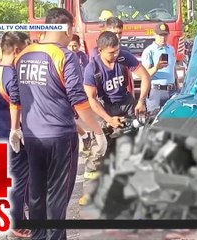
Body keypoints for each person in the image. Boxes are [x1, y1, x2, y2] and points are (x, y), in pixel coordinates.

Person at [15, 8, 108, 240]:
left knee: (36, 193)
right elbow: (78, 98)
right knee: (57, 195)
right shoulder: (65, 56)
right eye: (72, 29)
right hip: (59, 136)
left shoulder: (23, 55)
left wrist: (15, 127)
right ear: (66, 29)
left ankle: (38, 236)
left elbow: (17, 97)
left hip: (32, 135)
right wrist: (97, 132)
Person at [82, 31, 151, 204]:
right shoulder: (92, 69)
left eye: (117, 50)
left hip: (127, 104)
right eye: (111, 52)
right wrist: (109, 119)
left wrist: (141, 101)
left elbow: (145, 76)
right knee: (100, 149)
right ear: (100, 50)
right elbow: (91, 99)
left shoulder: (123, 57)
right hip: (105, 108)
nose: (115, 55)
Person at [0, 31, 31, 238]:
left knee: (14, 178)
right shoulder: (12, 76)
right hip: (15, 137)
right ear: (16, 49)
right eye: (25, 49)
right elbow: (18, 106)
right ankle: (17, 223)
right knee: (19, 181)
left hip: (1, 132)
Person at [141, 22, 179, 112]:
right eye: (160, 35)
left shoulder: (171, 49)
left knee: (172, 119)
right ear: (154, 35)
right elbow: (145, 75)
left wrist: (177, 85)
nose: (163, 38)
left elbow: (173, 68)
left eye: (165, 35)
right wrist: (156, 68)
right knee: (154, 118)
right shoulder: (149, 51)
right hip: (156, 91)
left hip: (172, 90)